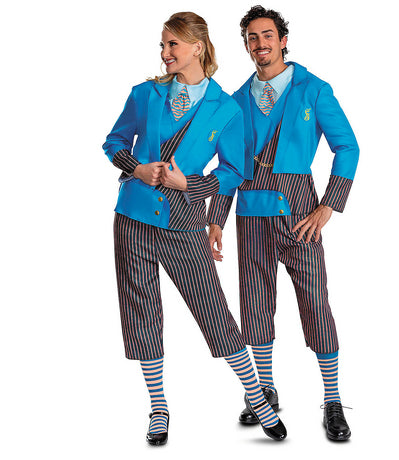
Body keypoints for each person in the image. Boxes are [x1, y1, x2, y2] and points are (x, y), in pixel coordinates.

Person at [102, 11, 287, 445]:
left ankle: (256, 396)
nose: (165, 53)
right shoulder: (144, 94)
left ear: (197, 47)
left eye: (173, 45)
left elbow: (234, 171)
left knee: (213, 310)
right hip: (131, 218)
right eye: (163, 45)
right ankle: (158, 407)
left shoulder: (226, 108)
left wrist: (190, 185)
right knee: (142, 314)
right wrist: (137, 168)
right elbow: (113, 142)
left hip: (184, 222)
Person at [207, 5, 359, 441]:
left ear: (283, 40)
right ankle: (265, 392)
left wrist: (328, 206)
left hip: (301, 215)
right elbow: (230, 164)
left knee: (315, 304)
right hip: (251, 215)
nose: (260, 43)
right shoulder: (235, 101)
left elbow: (347, 147)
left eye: (267, 35)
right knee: (255, 305)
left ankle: (332, 400)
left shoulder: (313, 89)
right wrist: (216, 219)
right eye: (252, 37)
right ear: (246, 45)